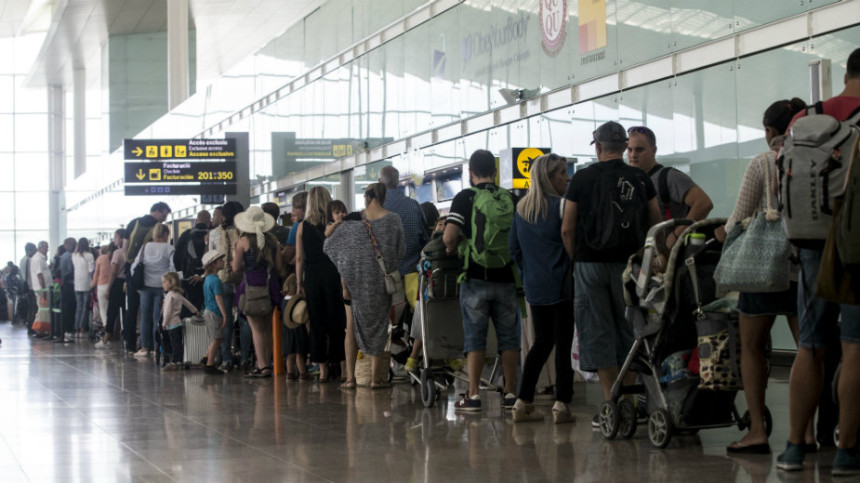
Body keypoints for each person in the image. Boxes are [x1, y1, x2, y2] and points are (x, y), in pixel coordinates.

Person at [777, 47, 860, 476]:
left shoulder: (805, 116)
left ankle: (794, 447)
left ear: (846, 73)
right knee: (855, 347)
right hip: (856, 248)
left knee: (810, 346)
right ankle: (847, 451)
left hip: (810, 245)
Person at [720, 98, 810, 454]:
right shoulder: (811, 159)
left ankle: (757, 430)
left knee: (752, 348)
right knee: (810, 349)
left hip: (763, 268)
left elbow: (739, 217)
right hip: (803, 266)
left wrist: (718, 237)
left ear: (770, 130)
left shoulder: (761, 163)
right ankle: (806, 432)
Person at [561, 121, 662, 424]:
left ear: (598, 147)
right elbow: (655, 223)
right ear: (622, 147)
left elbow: (567, 228)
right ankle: (629, 400)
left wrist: (577, 259)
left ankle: (611, 400)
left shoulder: (581, 178)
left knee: (597, 330)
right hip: (628, 266)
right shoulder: (640, 178)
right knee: (628, 329)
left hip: (589, 265)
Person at [443, 149, 521, 412]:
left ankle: (474, 395)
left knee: (475, 339)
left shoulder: (465, 197)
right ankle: (510, 393)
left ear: (470, 173)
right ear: (495, 172)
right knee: (509, 339)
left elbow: (449, 237)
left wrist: (454, 247)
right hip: (507, 278)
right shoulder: (509, 198)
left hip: (475, 277)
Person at [509, 153, 575, 424]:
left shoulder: (522, 208)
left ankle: (523, 401)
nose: (566, 177)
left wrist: (529, 273)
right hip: (561, 285)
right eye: (561, 172)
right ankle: (562, 404)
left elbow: (514, 249)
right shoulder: (562, 207)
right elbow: (570, 237)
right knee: (563, 344)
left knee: (541, 343)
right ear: (549, 177)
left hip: (535, 287)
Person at [325, 183, 405, 389]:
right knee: (380, 326)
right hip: (381, 283)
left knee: (351, 328)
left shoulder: (352, 220)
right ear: (383, 197)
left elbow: (331, 247)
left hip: (353, 284)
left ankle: (351, 378)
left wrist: (345, 280)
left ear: (367, 196)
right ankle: (375, 379)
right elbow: (401, 251)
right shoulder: (394, 219)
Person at [625, 125, 713, 246]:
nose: (633, 155)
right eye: (629, 149)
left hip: (669, 254)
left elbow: (704, 204)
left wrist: (677, 235)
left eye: (639, 150)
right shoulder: (632, 182)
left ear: (653, 150)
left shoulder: (669, 177)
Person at [296, 188, 347, 383]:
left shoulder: (302, 226)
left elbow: (300, 258)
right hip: (334, 274)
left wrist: (299, 282)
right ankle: (343, 367)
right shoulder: (334, 224)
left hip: (313, 276)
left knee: (316, 323)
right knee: (338, 320)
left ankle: (323, 369)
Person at [233, 205, 285, 378]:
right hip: (270, 285)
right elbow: (279, 267)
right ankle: (268, 363)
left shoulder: (243, 242)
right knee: (267, 328)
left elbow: (235, 268)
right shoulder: (273, 241)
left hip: (251, 285)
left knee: (256, 329)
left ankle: (262, 365)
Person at [123, 202, 172, 354]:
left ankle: (131, 345)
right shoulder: (156, 229)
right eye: (163, 215)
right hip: (155, 281)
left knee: (133, 310)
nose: (163, 219)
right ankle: (156, 346)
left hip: (135, 273)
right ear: (157, 212)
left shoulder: (134, 223)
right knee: (155, 315)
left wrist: (131, 265)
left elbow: (125, 247)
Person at [131, 223, 175, 358]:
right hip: (162, 287)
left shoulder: (145, 247)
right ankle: (158, 347)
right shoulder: (169, 248)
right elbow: (172, 268)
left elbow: (134, 267)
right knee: (158, 318)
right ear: (167, 234)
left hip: (145, 287)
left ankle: (144, 347)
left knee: (145, 317)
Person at [213, 201, 248, 371]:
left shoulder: (215, 233)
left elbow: (211, 257)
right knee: (244, 319)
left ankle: (226, 359)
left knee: (225, 320)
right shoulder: (244, 232)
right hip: (242, 278)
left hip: (223, 277)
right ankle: (245, 357)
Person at [160, 272, 200, 371]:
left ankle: (174, 362)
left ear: (170, 283)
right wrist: (195, 311)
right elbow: (187, 303)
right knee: (178, 343)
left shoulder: (170, 296)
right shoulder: (177, 294)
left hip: (171, 323)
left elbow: (168, 311)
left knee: (174, 344)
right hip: (178, 322)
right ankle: (179, 360)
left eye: (164, 282)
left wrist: (164, 323)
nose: (162, 284)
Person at [173, 210, 210, 312]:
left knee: (191, 307)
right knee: (209, 306)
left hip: (189, 276)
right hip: (208, 277)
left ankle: (192, 327)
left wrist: (182, 273)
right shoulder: (212, 233)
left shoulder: (186, 234)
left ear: (196, 221)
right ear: (209, 221)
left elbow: (177, 257)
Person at [201, 250, 229, 375]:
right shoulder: (216, 281)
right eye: (220, 260)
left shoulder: (208, 279)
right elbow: (218, 298)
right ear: (213, 264)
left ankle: (206, 358)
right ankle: (210, 365)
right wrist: (225, 314)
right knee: (216, 339)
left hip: (208, 310)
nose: (223, 262)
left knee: (218, 337)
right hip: (214, 312)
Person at [97, 229, 126, 349]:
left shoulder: (117, 253)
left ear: (121, 238)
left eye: (116, 237)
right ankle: (127, 338)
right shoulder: (132, 252)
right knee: (126, 312)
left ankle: (106, 338)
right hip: (127, 284)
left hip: (117, 283)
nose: (115, 240)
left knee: (112, 311)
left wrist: (109, 288)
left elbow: (114, 272)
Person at [72, 238, 95, 339]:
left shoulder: (74, 255)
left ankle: (76, 327)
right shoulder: (89, 255)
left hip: (77, 283)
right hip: (86, 283)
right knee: (85, 307)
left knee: (78, 306)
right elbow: (91, 271)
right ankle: (82, 328)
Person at [30, 241, 53, 337]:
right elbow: (39, 275)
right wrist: (43, 290)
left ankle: (43, 329)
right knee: (43, 308)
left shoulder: (40, 258)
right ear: (41, 248)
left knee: (44, 309)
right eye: (46, 248)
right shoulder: (38, 259)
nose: (47, 250)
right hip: (42, 289)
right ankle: (39, 329)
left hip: (43, 288)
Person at [282, 191, 307, 271]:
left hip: (305, 269)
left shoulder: (298, 225)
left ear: (303, 209)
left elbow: (289, 253)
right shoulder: (324, 222)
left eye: (295, 208)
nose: (294, 211)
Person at [91, 245, 112, 342]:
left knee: (103, 308)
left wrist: (92, 285)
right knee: (112, 308)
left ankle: (106, 326)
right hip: (112, 285)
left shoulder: (99, 259)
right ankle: (113, 329)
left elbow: (96, 273)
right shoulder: (111, 257)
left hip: (102, 285)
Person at [58, 237, 77, 342]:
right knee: (72, 308)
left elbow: (64, 272)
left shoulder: (65, 256)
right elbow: (70, 271)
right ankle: (70, 329)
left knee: (67, 309)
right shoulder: (71, 256)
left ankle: (67, 330)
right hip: (72, 285)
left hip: (66, 285)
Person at [17, 243, 36, 329]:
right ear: (30, 250)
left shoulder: (22, 260)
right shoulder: (30, 260)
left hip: (26, 286)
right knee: (33, 307)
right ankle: (31, 326)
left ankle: (29, 324)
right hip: (31, 286)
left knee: (30, 307)